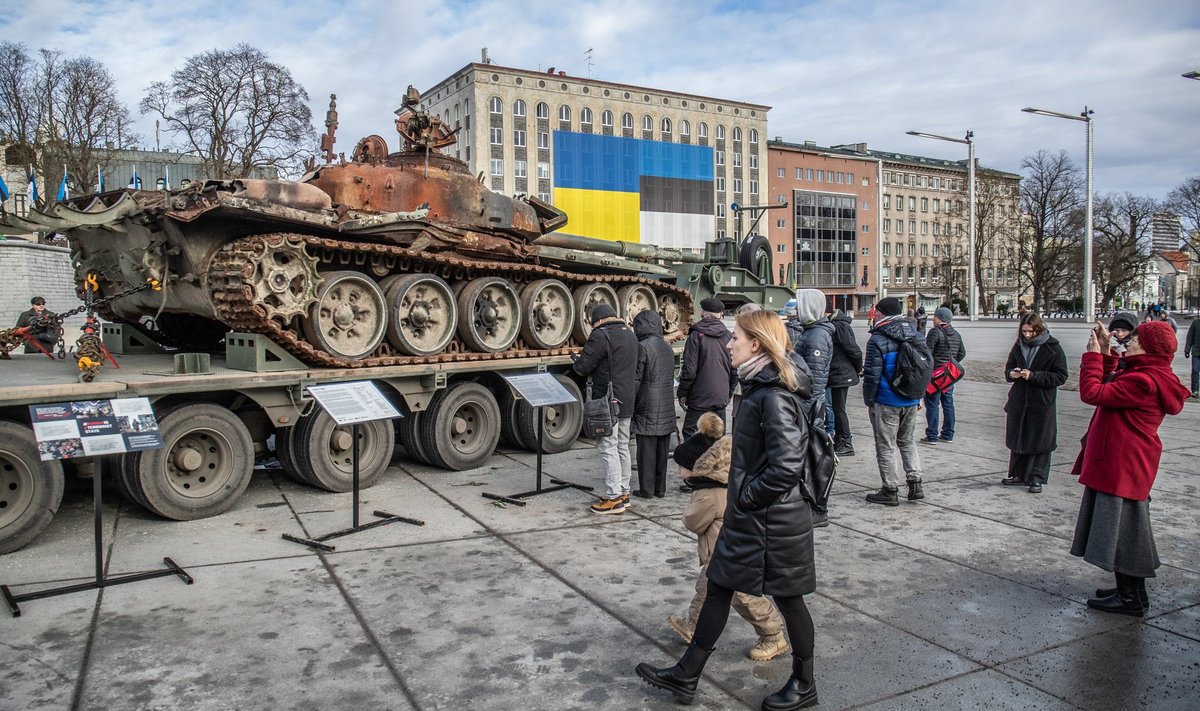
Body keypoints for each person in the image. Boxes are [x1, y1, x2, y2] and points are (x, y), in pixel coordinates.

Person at [636, 309, 819, 709]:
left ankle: (805, 684)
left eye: (736, 337)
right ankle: (687, 674)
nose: (730, 343)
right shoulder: (758, 385)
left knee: (789, 600)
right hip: (752, 518)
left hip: (774, 521)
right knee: (718, 585)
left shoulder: (772, 394)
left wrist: (747, 496)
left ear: (757, 343)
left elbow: (787, 465)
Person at [1071, 320, 1190, 616]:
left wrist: (1092, 356)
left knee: (1123, 533)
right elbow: (1112, 381)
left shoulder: (1143, 380)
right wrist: (1107, 351)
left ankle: (1130, 598)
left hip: (1122, 463)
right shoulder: (1147, 373)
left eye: (1135, 338)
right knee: (1127, 530)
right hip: (1125, 461)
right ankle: (1130, 592)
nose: (1130, 341)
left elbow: (1093, 393)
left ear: (1148, 346)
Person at [666, 412, 790, 662]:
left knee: (743, 595)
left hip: (725, 552)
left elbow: (694, 521)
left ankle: (773, 634)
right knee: (706, 589)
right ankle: (693, 625)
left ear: (697, 467)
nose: (678, 472)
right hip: (725, 551)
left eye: (681, 467)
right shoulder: (724, 481)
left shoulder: (708, 493)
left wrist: (689, 512)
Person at [573, 303, 638, 514]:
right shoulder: (630, 334)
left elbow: (583, 367)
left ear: (598, 321)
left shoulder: (601, 335)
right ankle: (624, 492)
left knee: (608, 446)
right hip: (627, 398)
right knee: (622, 446)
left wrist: (576, 360)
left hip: (608, 400)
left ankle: (613, 498)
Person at [862, 297, 925, 506]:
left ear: (883, 313)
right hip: (911, 398)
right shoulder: (916, 334)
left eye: (877, 311)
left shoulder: (877, 339)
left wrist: (869, 400)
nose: (875, 314)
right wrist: (919, 395)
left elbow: (872, 374)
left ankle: (890, 489)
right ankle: (915, 483)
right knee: (907, 441)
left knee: (886, 445)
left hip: (886, 399)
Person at [999, 313, 1068, 494]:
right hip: (1020, 399)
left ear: (1038, 329)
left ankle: (1037, 477)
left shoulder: (1052, 347)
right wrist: (1012, 374)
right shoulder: (1018, 346)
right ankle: (1018, 474)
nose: (1027, 335)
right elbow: (1008, 368)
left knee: (1040, 440)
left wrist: (1035, 376)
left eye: (1030, 332)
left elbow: (1061, 376)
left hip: (1041, 401)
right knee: (1019, 436)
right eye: (1024, 332)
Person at [677, 297, 735, 439]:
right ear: (721, 314)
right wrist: (727, 394)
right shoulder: (729, 336)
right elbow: (735, 370)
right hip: (720, 397)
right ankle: (715, 461)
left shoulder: (696, 335)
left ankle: (696, 461)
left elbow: (689, 370)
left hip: (699, 398)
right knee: (717, 435)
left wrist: (682, 393)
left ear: (702, 312)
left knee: (691, 433)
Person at [631, 310, 675, 499]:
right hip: (666, 403)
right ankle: (660, 489)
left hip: (647, 404)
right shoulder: (667, 347)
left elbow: (636, 379)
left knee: (646, 451)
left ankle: (646, 490)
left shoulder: (642, 347)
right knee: (662, 451)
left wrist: (629, 402)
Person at [922, 307, 965, 444]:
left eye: (935, 317)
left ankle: (932, 435)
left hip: (935, 375)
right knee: (948, 404)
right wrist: (951, 363)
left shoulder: (935, 332)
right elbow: (962, 353)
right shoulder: (957, 335)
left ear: (940, 318)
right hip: (949, 376)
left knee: (932, 404)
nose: (933, 319)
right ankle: (948, 434)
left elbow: (927, 353)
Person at [792, 289, 833, 423]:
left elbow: (815, 378)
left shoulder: (816, 336)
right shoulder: (811, 331)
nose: (797, 309)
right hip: (805, 401)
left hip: (807, 405)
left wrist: (807, 409)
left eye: (800, 305)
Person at [827, 308, 862, 457]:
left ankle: (846, 442)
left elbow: (853, 350)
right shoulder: (837, 324)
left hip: (841, 373)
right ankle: (841, 439)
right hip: (839, 372)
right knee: (837, 408)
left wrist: (858, 367)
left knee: (839, 409)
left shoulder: (840, 325)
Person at [1184, 314, 1200, 398]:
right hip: (1196, 352)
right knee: (1195, 371)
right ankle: (1195, 390)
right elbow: (1190, 336)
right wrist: (1187, 349)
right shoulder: (1196, 322)